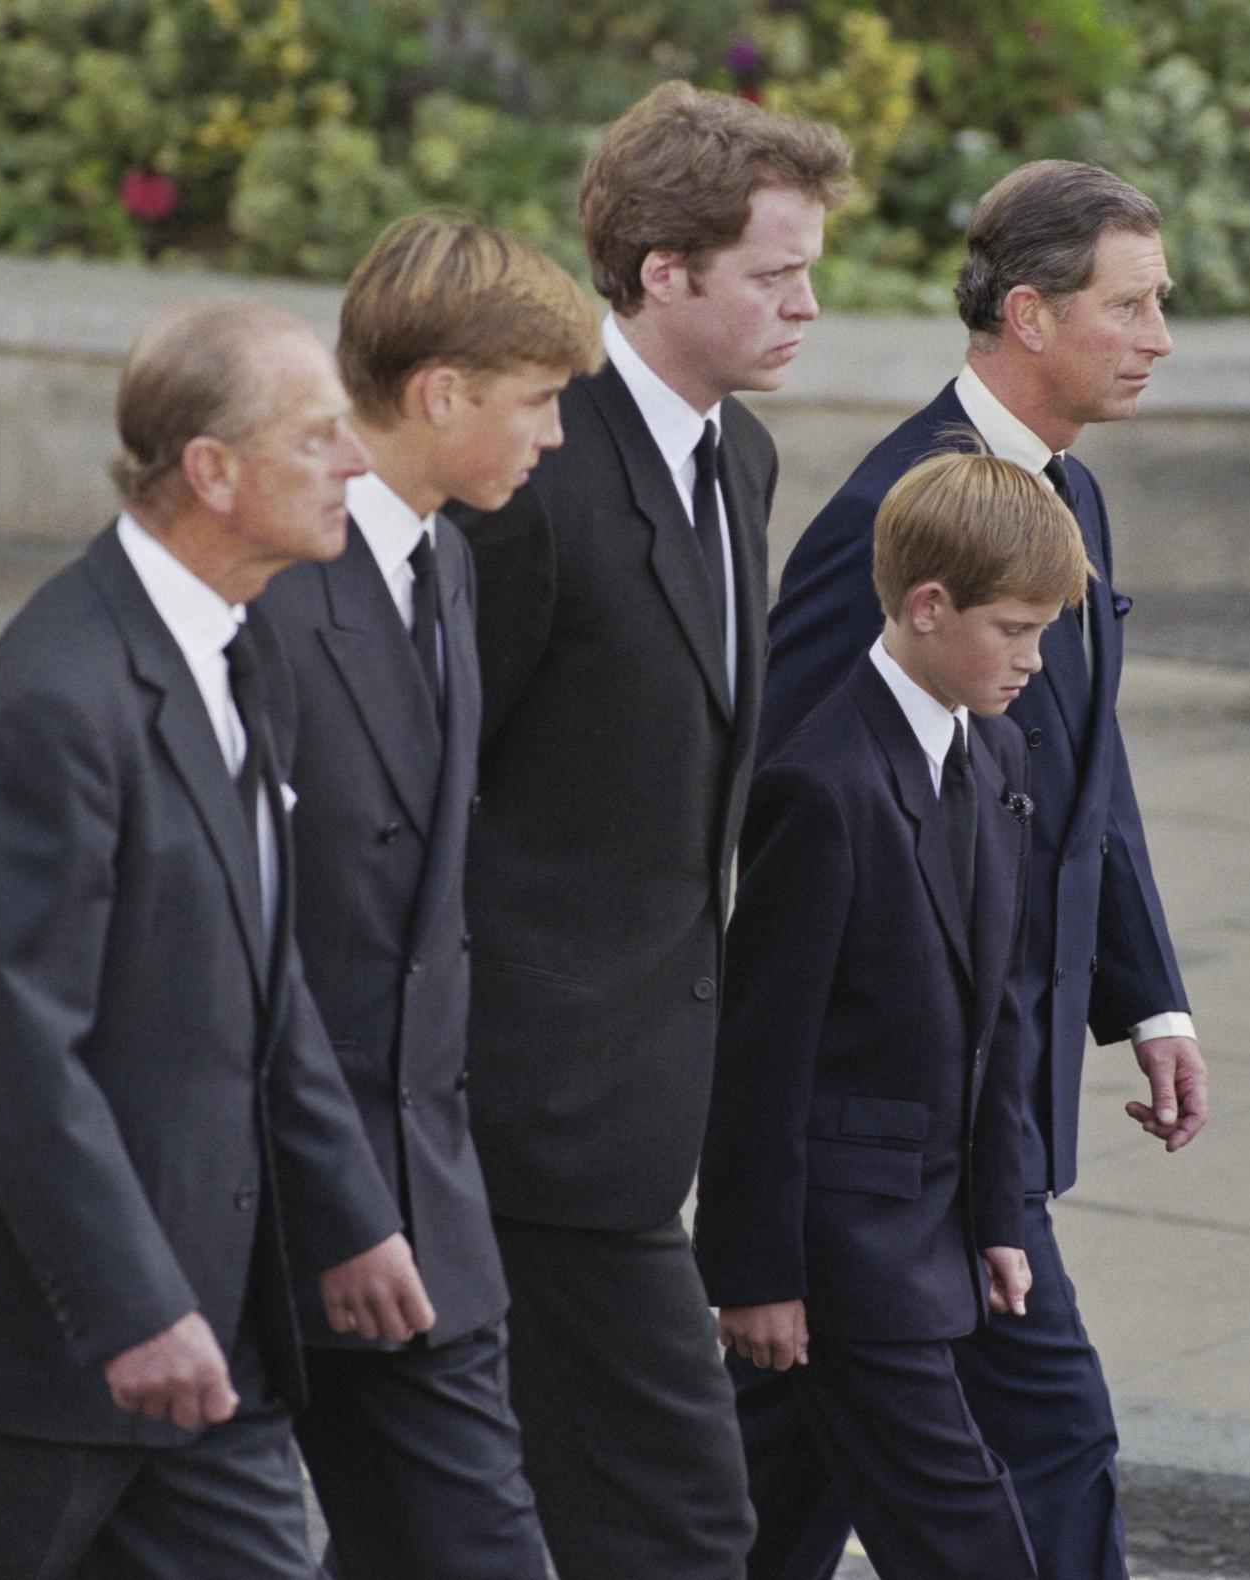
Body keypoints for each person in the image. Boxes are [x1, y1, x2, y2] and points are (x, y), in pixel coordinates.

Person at [0, 300, 431, 1577]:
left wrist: (347, 1212)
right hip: (32, 1361)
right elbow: (19, 1048)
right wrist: (133, 1306)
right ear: (212, 470)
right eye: (318, 435)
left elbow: (263, 977)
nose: (357, 459)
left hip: (210, 1348)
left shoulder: (234, 648)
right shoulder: (56, 702)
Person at [754, 158, 1202, 1578]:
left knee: (777, 1474)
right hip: (908, 1122)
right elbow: (802, 808)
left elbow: (1086, 774)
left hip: (972, 1111)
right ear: (1029, 313)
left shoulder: (1073, 499)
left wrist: (1149, 997)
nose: (1160, 337)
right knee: (1049, 1438)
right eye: (1131, 305)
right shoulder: (893, 518)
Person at [451, 81, 851, 1579]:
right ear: (663, 271)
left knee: (468, 1516)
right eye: (776, 272)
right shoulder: (537, 473)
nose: (808, 304)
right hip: (520, 1117)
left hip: (634, 1107)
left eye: (809, 269)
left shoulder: (737, 460)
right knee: (682, 1520)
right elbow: (423, 790)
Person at [251, 215, 599, 1577]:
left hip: (424, 1207)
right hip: (276, 1210)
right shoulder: (276, 589)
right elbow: (252, 944)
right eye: (539, 400)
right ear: (443, 393)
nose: (555, 435)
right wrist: (346, 1207)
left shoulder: (447, 559)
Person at [698, 450, 1095, 1579]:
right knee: (969, 1537)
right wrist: (755, 1275)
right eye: (1013, 629)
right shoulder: (821, 786)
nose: (1033, 658)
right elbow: (760, 1057)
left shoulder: (997, 749)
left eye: (1043, 631)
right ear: (927, 607)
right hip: (846, 1253)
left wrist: (999, 1213)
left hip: (930, 1235)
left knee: (757, 1533)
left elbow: (995, 1018)